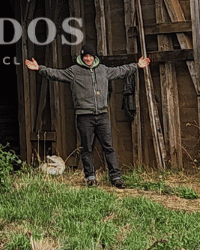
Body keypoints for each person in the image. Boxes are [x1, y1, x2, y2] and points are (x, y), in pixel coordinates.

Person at [24, 44, 149, 188]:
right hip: (84, 116)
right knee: (86, 148)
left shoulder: (103, 70)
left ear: (94, 57)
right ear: (82, 58)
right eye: (85, 57)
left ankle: (116, 178)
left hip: (102, 115)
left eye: (90, 56)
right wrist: (40, 69)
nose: (88, 59)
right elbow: (56, 74)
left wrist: (136, 66)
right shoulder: (74, 71)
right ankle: (90, 177)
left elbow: (120, 71)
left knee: (108, 147)